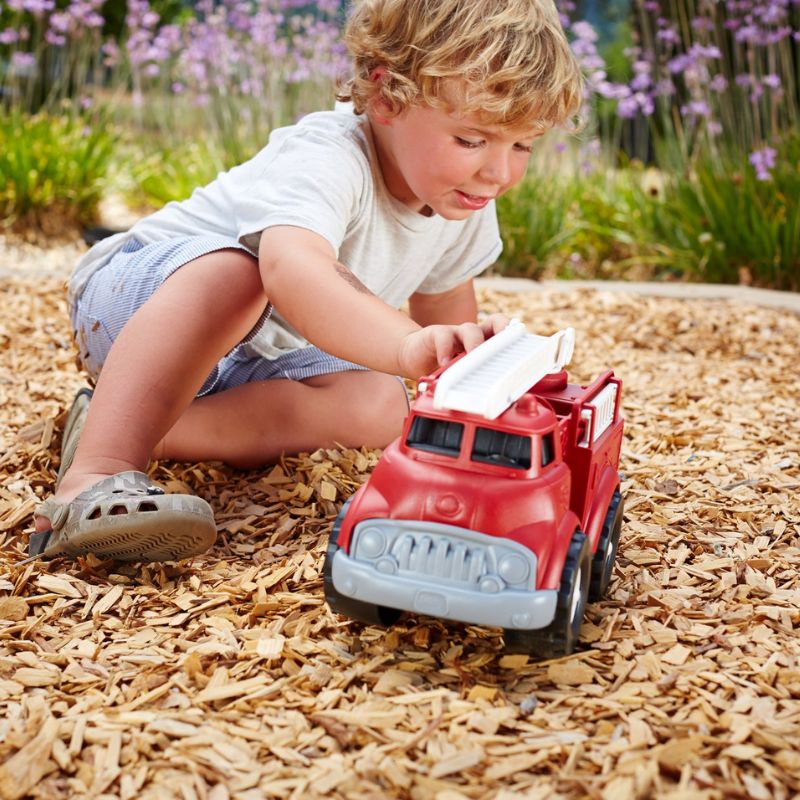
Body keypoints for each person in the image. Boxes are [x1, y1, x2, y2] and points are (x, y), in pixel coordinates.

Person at [30, 0, 583, 563]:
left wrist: (474, 384)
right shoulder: (329, 155)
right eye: (472, 140)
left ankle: (125, 421)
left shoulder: (464, 200)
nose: (499, 172)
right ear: (387, 95)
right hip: (139, 308)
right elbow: (292, 270)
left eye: (522, 146)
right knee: (242, 275)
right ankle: (95, 472)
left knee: (383, 404)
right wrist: (404, 343)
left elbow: (443, 318)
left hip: (255, 361)